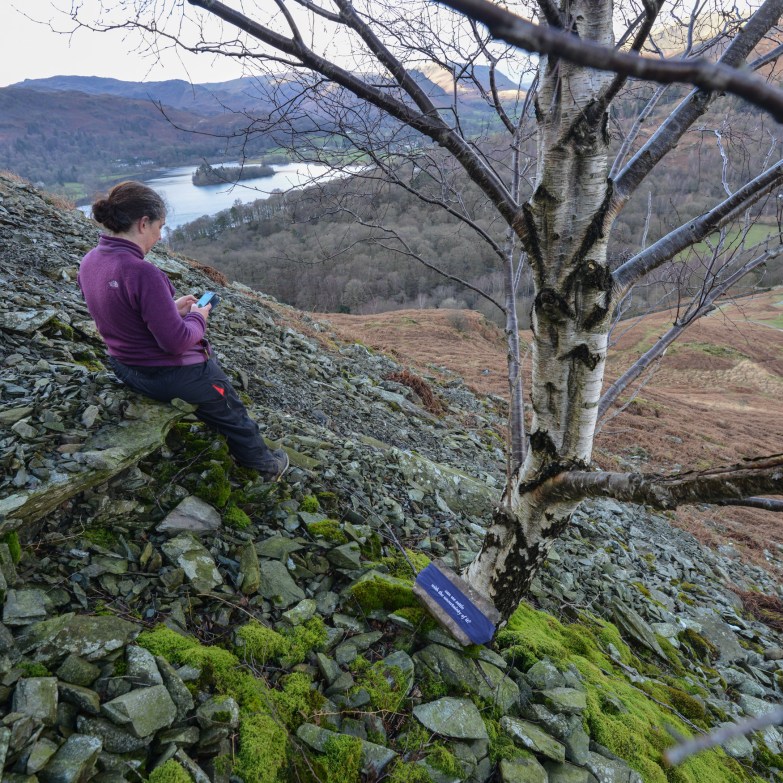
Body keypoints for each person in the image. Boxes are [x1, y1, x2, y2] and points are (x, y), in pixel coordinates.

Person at [78, 181, 289, 482]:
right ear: (143, 223)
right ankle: (264, 467)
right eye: (159, 227)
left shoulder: (90, 262)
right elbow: (176, 342)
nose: (160, 236)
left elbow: (118, 312)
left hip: (125, 367)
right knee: (231, 409)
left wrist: (168, 307)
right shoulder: (144, 272)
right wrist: (198, 317)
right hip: (172, 376)